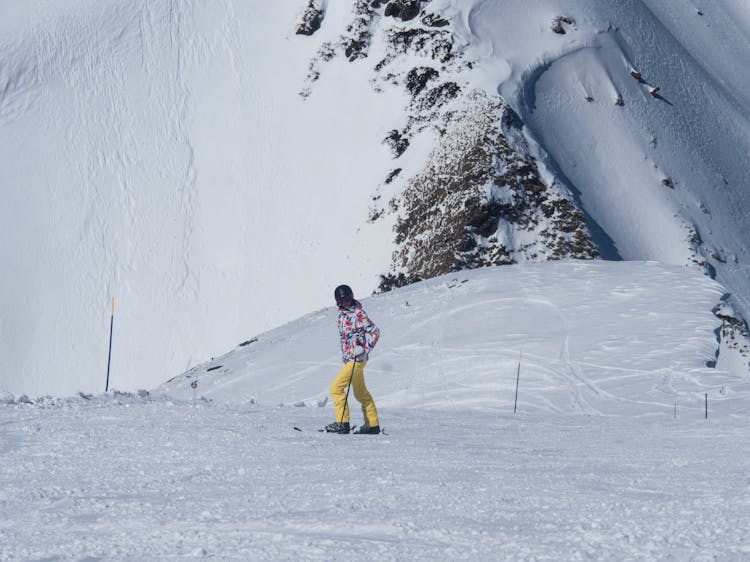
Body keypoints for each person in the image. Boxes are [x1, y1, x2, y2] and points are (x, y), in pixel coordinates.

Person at [325, 284, 381, 434]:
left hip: (357, 359)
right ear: (338, 302)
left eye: (348, 299)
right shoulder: (340, 315)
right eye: (342, 301)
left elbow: (375, 332)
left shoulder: (359, 314)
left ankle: (342, 423)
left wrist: (364, 348)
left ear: (352, 296)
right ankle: (372, 425)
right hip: (350, 359)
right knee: (360, 393)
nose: (346, 303)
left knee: (335, 388)